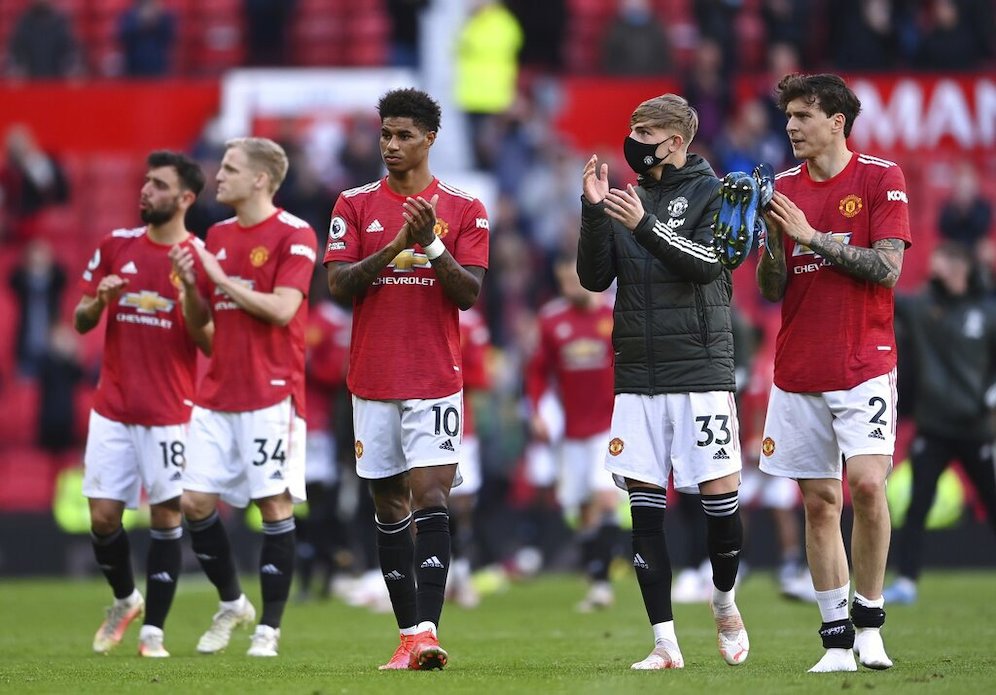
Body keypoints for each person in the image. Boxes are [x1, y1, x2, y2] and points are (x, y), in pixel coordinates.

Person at [578, 93, 748, 670]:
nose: (633, 139)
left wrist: (645, 225)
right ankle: (665, 643)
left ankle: (723, 599)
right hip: (638, 377)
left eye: (644, 130)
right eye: (631, 128)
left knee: (719, 509)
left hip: (700, 372)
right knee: (645, 512)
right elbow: (593, 277)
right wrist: (592, 210)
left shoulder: (716, 193)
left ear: (675, 140)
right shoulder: (629, 200)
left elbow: (707, 264)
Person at [325, 88, 489, 671]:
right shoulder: (353, 204)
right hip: (371, 378)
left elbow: (468, 293)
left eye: (403, 136)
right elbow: (339, 286)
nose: (391, 146)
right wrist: (397, 243)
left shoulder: (465, 207)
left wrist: (432, 244)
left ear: (429, 139)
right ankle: (405, 634)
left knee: (431, 496)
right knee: (388, 503)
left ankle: (427, 631)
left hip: (434, 376)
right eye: (385, 134)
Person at [756, 73, 912, 673]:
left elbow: (887, 269)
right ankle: (836, 640)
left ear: (836, 122)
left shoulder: (880, 178)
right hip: (798, 367)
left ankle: (870, 621)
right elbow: (773, 289)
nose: (791, 126)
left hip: (864, 364)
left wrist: (810, 236)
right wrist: (774, 242)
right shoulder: (782, 190)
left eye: (803, 116)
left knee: (868, 487)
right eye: (789, 117)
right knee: (820, 503)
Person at [169, 137, 318, 657]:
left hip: (270, 394)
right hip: (217, 392)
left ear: (260, 179)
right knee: (193, 502)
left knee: (271, 502)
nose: (218, 175)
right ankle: (233, 602)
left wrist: (217, 276)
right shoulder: (217, 234)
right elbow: (204, 332)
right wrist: (192, 288)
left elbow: (281, 310)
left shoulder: (295, 234)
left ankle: (269, 629)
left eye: (230, 168)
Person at [73, 150, 209, 657]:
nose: (145, 191)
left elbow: (210, 341)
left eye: (158, 184)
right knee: (104, 518)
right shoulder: (115, 246)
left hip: (170, 413)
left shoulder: (199, 260)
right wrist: (97, 302)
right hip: (112, 408)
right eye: (145, 182)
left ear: (185, 198)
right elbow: (82, 321)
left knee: (166, 517)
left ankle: (153, 631)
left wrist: (193, 290)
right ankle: (126, 599)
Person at [884, 241, 996, 604]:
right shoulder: (922, 307)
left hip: (975, 426)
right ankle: (906, 582)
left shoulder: (988, 310)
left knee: (992, 501)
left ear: (959, 266)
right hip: (933, 425)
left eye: (942, 261)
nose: (934, 267)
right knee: (917, 506)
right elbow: (886, 295)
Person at [525, 254, 619, 612]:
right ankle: (596, 576)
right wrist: (536, 411)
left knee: (604, 498)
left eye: (573, 280)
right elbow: (536, 371)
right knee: (581, 508)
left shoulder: (613, 313)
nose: (568, 287)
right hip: (571, 429)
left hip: (608, 426)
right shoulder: (551, 320)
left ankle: (602, 582)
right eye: (562, 281)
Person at [446, 306, 492, 609]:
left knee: (460, 504)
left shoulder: (472, 322)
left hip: (462, 424)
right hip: (418, 420)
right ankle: (426, 576)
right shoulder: (417, 306)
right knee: (419, 501)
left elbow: (480, 376)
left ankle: (461, 573)